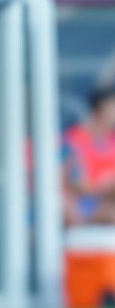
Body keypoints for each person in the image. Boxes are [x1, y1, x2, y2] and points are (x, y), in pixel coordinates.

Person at [63, 86, 115, 226]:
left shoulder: (112, 140)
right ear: (101, 108)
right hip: (84, 205)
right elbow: (77, 185)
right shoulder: (74, 139)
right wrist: (106, 187)